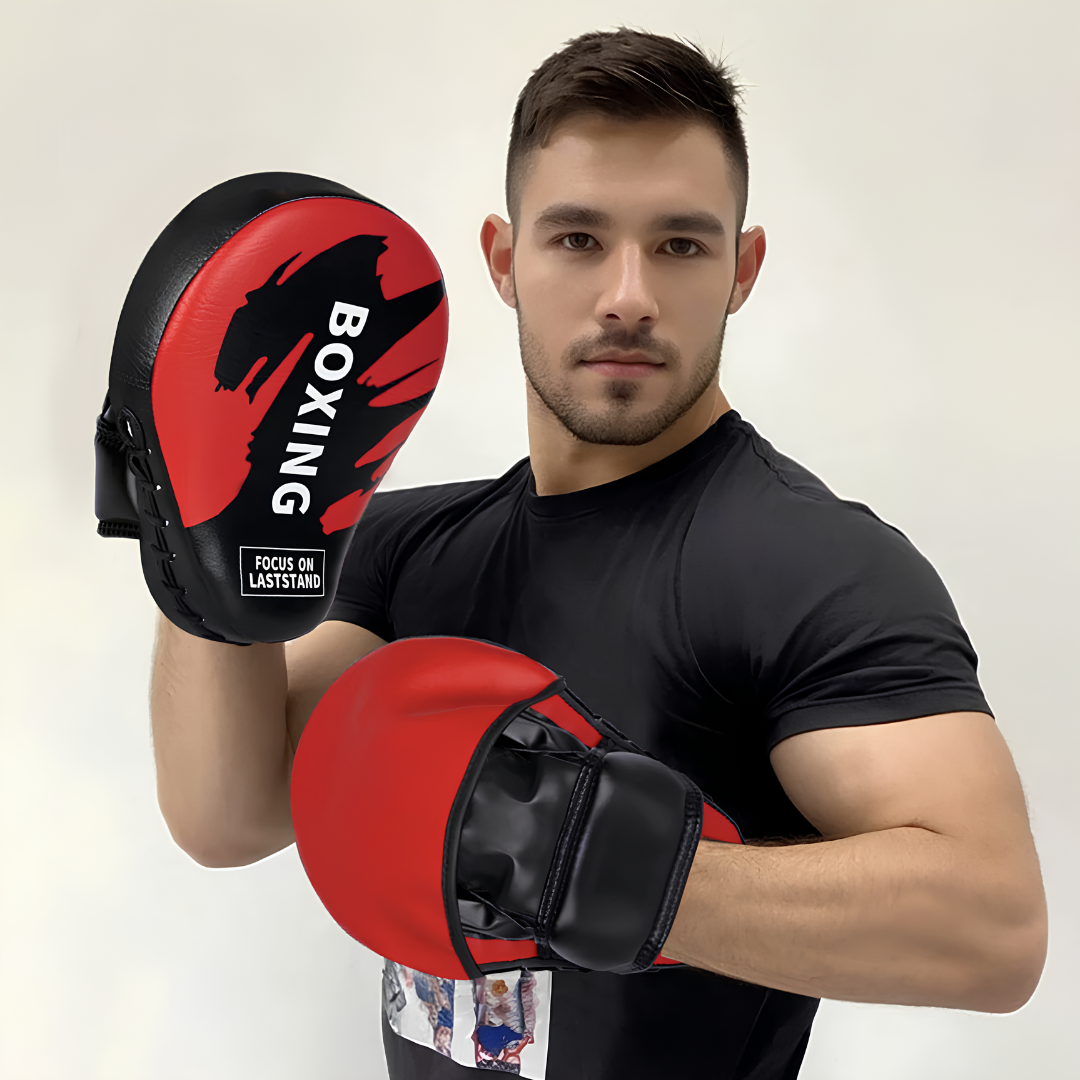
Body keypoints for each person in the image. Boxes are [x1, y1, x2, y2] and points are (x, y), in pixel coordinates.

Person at [149, 28, 1047, 1080]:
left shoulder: (810, 564)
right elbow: (229, 814)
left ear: (743, 269)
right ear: (504, 259)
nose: (629, 294)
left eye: (680, 244)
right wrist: (198, 540)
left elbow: (996, 934)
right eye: (578, 239)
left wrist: (596, 866)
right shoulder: (404, 548)